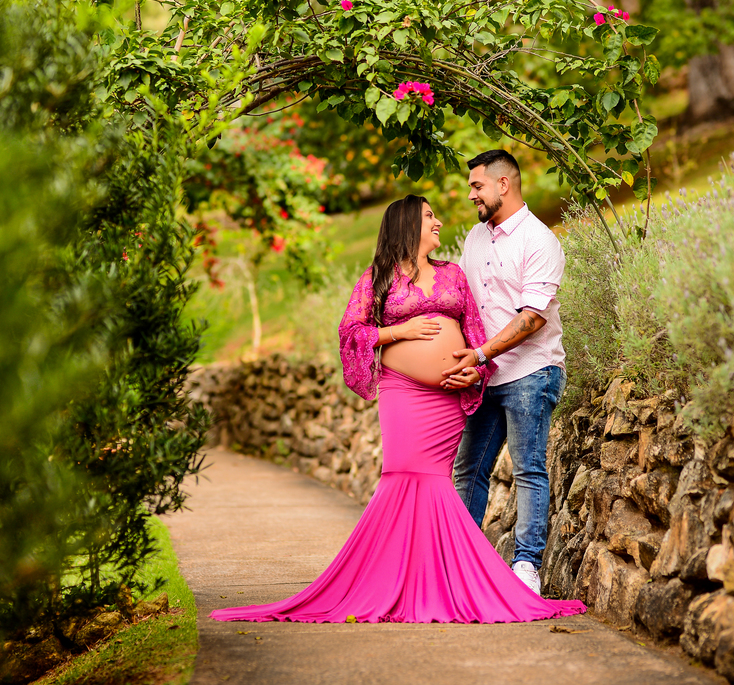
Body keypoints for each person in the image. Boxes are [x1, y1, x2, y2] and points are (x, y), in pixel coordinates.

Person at [210, 195, 584, 624]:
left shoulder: (453, 274)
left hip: (446, 400)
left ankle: (439, 579)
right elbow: (352, 332)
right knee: (404, 477)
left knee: (438, 482)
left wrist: (474, 372)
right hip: (404, 394)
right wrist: (399, 330)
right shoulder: (378, 279)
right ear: (408, 225)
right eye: (430, 217)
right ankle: (398, 581)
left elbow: (474, 332)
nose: (439, 222)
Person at [441, 150, 566, 596]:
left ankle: (526, 568)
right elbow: (465, 306)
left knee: (529, 470)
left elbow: (532, 318)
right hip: (485, 375)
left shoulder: (540, 241)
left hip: (531, 371)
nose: (471, 193)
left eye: (477, 185)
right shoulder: (476, 237)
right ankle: (460, 562)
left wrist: (479, 354)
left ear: (503, 185)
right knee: (468, 471)